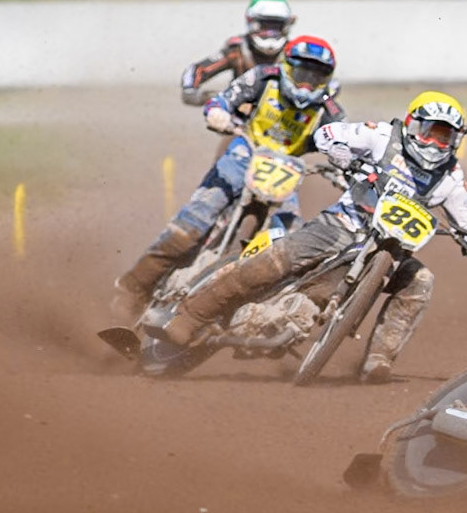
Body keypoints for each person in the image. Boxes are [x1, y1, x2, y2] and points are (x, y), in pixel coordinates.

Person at [149, 92, 467, 385]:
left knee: (422, 282)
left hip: (393, 250)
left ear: (456, 141)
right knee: (276, 260)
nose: (435, 143)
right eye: (430, 132)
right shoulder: (382, 137)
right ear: (413, 125)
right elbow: (329, 133)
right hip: (342, 223)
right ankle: (189, 316)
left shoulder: (452, 179)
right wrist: (340, 151)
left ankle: (378, 359)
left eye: (445, 137)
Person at [113, 36, 344, 319]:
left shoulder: (329, 111)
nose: (307, 83)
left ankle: (263, 311)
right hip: (244, 151)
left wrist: (347, 165)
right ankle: (135, 286)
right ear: (286, 66)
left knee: (290, 238)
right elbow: (223, 100)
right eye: (302, 74)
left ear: (326, 79)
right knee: (194, 223)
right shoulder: (262, 78)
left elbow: (344, 143)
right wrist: (218, 113)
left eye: (316, 77)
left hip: (287, 172)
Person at [180, 0, 297, 106]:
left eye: (276, 27)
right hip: (240, 116)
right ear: (252, 23)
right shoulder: (237, 49)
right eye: (265, 26)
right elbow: (196, 70)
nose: (270, 33)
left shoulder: (294, 53)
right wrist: (190, 90)